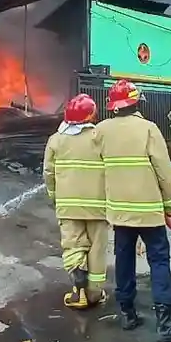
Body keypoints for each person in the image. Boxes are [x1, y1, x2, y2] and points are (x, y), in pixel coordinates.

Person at [95, 79, 171, 342]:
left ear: (113, 106)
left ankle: (127, 314)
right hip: (149, 212)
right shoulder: (148, 129)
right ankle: (166, 325)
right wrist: (168, 204)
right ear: (137, 102)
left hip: (120, 212)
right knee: (159, 263)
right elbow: (163, 170)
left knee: (123, 261)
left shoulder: (101, 131)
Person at [42, 93, 109, 310]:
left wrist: (54, 196)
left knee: (74, 246)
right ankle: (94, 294)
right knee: (97, 248)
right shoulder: (100, 137)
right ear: (91, 115)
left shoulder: (56, 140)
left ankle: (78, 291)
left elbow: (48, 174)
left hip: (68, 206)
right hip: (99, 206)